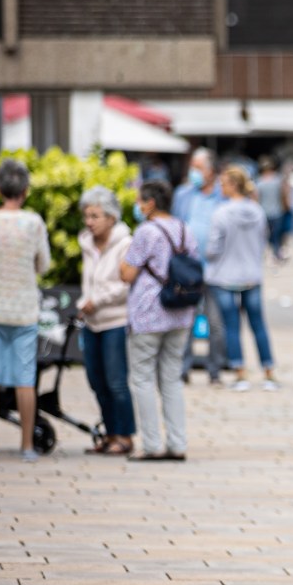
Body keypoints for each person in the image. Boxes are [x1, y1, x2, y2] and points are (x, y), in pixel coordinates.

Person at [0, 159, 51, 464]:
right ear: (26, 190)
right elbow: (43, 264)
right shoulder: (34, 222)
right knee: (24, 379)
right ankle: (27, 446)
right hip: (25, 308)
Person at [120, 180, 197, 462]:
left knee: (141, 378)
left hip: (149, 312)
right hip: (180, 313)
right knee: (171, 378)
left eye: (140, 201)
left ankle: (152, 444)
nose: (138, 206)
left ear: (150, 203)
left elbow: (128, 273)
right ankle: (177, 443)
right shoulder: (184, 229)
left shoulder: (147, 231)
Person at [207, 166, 279, 393]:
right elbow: (263, 240)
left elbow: (212, 248)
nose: (220, 186)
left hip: (225, 275)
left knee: (231, 326)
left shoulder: (221, 212)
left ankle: (240, 373)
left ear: (232, 185)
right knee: (258, 324)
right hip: (251, 274)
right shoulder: (257, 211)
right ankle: (268, 371)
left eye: (223, 182)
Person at [76, 186, 135, 456]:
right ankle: (110, 433)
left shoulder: (125, 243)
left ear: (111, 217)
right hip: (91, 322)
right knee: (96, 380)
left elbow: (126, 285)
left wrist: (96, 301)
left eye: (95, 216)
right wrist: (84, 303)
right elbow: (88, 281)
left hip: (116, 320)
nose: (90, 222)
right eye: (87, 216)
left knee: (116, 381)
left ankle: (125, 435)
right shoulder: (86, 242)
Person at [172, 148, 226, 386]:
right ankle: (183, 370)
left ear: (211, 171)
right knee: (185, 322)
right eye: (192, 167)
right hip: (187, 270)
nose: (193, 172)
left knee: (216, 323)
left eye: (198, 167)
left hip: (217, 270)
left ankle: (215, 370)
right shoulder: (183, 194)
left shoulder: (223, 196)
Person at [255, 157, 288, 262]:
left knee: (265, 235)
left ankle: (268, 253)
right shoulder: (277, 180)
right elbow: (283, 195)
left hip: (264, 211)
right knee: (276, 235)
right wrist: (285, 207)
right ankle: (276, 253)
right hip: (277, 211)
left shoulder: (259, 181)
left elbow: (257, 198)